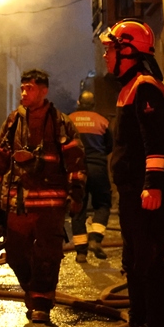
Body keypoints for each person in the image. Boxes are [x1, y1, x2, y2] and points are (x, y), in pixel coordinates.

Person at [94, 20, 164, 327]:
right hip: (132, 193)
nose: (105, 55)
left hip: (146, 194)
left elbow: (155, 142)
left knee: (149, 266)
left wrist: (153, 185)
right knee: (134, 263)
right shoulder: (129, 88)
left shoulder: (145, 88)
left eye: (110, 48)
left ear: (127, 50)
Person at [0, 69, 86, 324]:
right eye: (23, 88)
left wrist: (76, 194)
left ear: (43, 91)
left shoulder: (61, 123)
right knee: (16, 255)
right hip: (18, 203)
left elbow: (75, 162)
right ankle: (33, 292)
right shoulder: (13, 121)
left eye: (30, 88)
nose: (24, 93)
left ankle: (41, 305)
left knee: (47, 256)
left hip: (50, 205)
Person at [68, 90, 113, 263]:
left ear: (79, 102)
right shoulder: (102, 121)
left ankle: (81, 252)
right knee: (102, 204)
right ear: (93, 104)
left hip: (76, 169)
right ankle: (95, 238)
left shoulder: (70, 119)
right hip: (98, 168)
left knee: (77, 208)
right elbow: (110, 145)